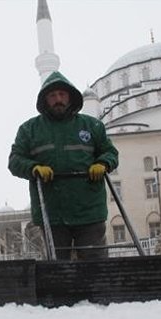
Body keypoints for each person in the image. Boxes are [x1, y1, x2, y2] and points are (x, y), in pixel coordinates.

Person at [8, 71, 119, 261]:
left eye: (62, 94)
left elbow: (110, 153)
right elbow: (15, 160)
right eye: (52, 95)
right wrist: (34, 168)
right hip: (52, 212)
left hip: (88, 209)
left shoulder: (92, 126)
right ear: (45, 100)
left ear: (70, 97)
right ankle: (60, 292)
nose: (58, 99)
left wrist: (103, 163)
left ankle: (98, 291)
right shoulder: (29, 130)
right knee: (57, 267)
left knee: (96, 265)